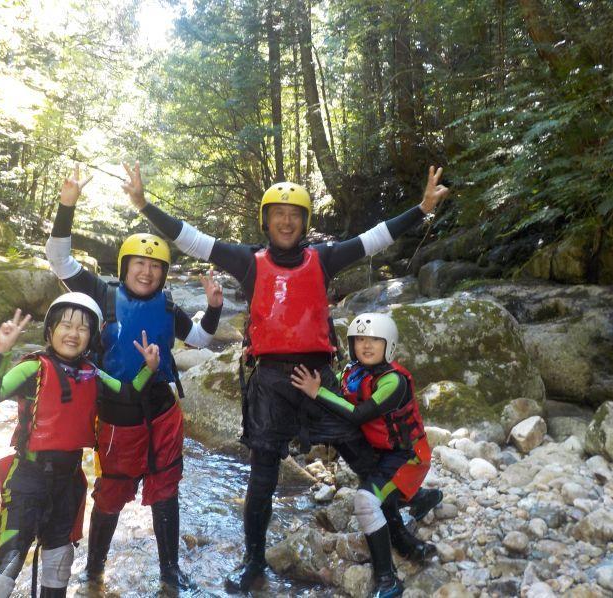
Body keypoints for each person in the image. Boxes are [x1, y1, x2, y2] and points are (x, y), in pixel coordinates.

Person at [124, 161, 449, 592]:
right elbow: (192, 238)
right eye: (278, 213)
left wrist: (422, 209)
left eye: (294, 215)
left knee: (364, 460)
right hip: (270, 384)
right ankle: (253, 562)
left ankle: (401, 537)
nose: (286, 221)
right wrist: (144, 205)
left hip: (318, 377)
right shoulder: (247, 261)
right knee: (261, 477)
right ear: (266, 220)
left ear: (304, 222)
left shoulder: (324, 258)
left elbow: (374, 239)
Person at [44, 166, 223, 591]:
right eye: (139, 264)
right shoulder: (100, 293)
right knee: (111, 494)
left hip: (162, 410)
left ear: (164, 272)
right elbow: (58, 259)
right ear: (125, 266)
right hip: (116, 416)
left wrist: (214, 307)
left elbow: (199, 338)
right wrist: (67, 204)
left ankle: (169, 573)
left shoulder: (167, 305)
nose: (147, 272)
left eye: (155, 266)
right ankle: (94, 571)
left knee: (166, 489)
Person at [0, 293, 160, 598]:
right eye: (66, 325)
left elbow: (128, 394)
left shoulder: (92, 373)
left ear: (91, 337)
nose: (73, 334)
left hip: (68, 481)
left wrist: (148, 369)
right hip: (28, 478)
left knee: (60, 560)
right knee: (11, 556)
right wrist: (1, 351)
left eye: (82, 328)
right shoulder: (33, 368)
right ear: (50, 331)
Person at [291, 312, 436, 597]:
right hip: (381, 453)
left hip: (408, 457)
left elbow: (358, 414)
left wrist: (317, 392)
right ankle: (409, 536)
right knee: (378, 491)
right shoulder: (352, 373)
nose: (366, 346)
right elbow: (338, 399)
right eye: (359, 340)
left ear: (388, 344)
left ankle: (387, 579)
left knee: (366, 501)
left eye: (374, 340)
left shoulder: (394, 382)